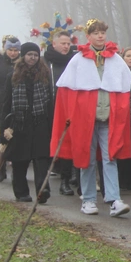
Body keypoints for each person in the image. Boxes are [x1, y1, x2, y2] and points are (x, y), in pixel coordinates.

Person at [50, 19, 131, 218]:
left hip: (107, 119)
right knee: (86, 159)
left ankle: (113, 200)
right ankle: (88, 199)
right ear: (89, 36)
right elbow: (67, 91)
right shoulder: (78, 59)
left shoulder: (116, 59)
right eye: (95, 33)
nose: (100, 36)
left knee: (109, 157)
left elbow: (127, 87)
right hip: (85, 120)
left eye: (102, 32)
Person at [1, 42, 53, 203]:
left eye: (36, 55)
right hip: (20, 123)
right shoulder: (13, 75)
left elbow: (50, 100)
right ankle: (21, 192)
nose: (33, 58)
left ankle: (42, 190)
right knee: (20, 161)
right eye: (30, 54)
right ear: (23, 56)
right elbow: (7, 103)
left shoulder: (45, 74)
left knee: (41, 160)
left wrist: (51, 125)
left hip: (40, 122)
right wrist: (4, 128)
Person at [44, 30, 78, 196]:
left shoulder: (76, 61)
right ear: (54, 44)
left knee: (70, 143)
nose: (66, 47)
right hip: (50, 108)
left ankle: (68, 179)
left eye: (68, 44)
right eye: (63, 43)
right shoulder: (46, 63)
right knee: (55, 145)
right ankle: (49, 180)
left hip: (71, 108)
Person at [117, 47, 131, 193]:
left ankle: (129, 178)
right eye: (128, 56)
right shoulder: (117, 72)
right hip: (120, 113)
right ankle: (120, 178)